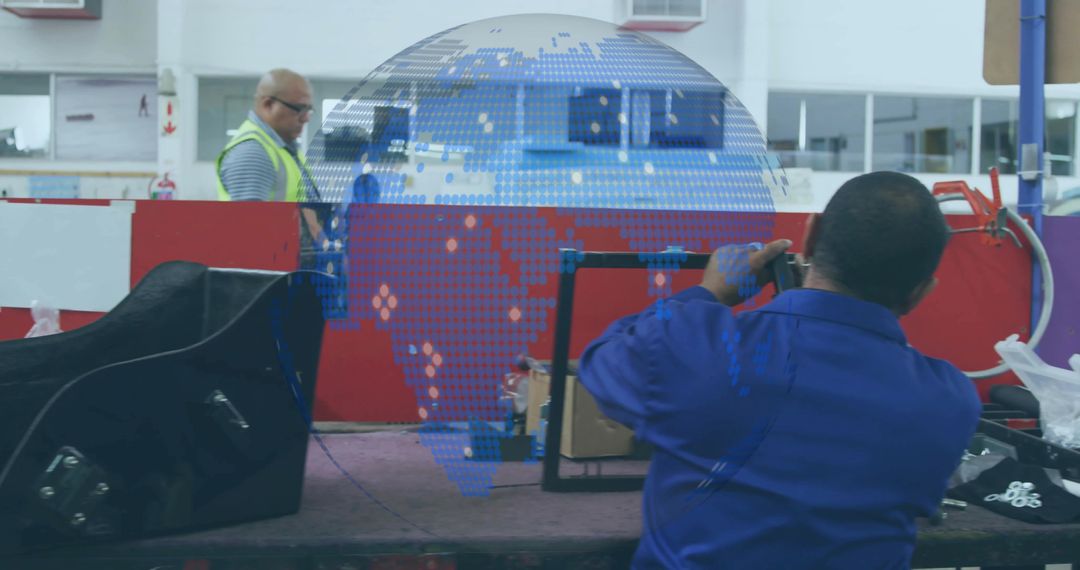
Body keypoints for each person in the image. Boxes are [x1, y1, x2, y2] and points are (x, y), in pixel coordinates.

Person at [579, 171, 982, 569]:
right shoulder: (949, 403)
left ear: (810, 234)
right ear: (921, 293)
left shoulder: (693, 348)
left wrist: (710, 294)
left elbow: (600, 362)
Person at [215, 68, 326, 261]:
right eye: (300, 109)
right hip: (271, 275)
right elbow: (249, 235)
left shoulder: (285, 148)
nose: (307, 118)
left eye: (309, 109)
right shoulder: (253, 153)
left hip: (292, 266)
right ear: (268, 105)